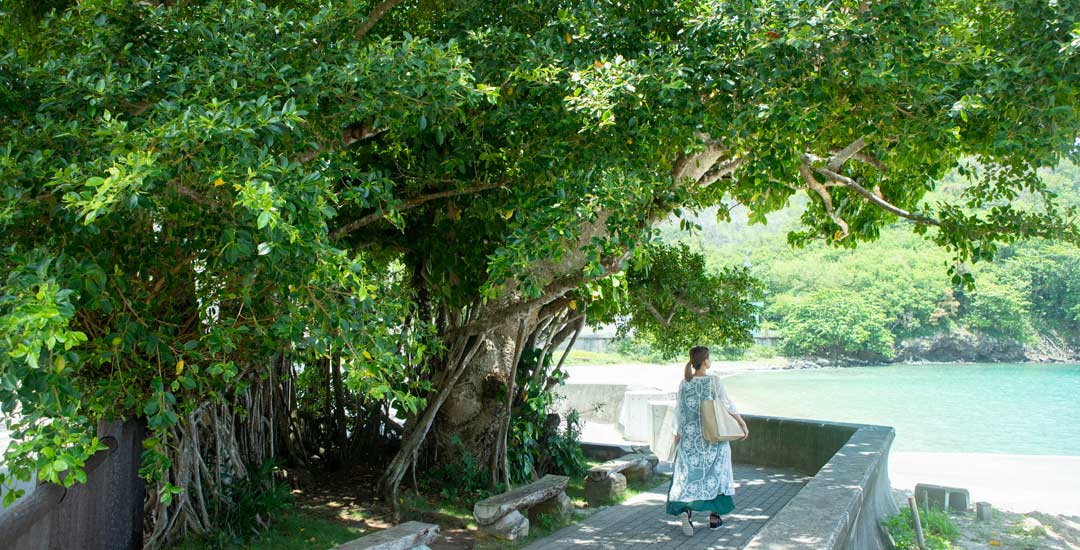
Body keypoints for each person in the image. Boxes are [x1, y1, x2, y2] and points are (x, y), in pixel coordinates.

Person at [666, 346, 749, 536]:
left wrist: (677, 438)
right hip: (712, 439)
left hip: (689, 440)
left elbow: (679, 413)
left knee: (688, 477)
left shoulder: (684, 383)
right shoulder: (713, 381)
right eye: (709, 358)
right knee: (717, 474)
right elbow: (728, 405)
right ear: (705, 361)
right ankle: (714, 517)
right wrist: (742, 425)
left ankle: (686, 511)